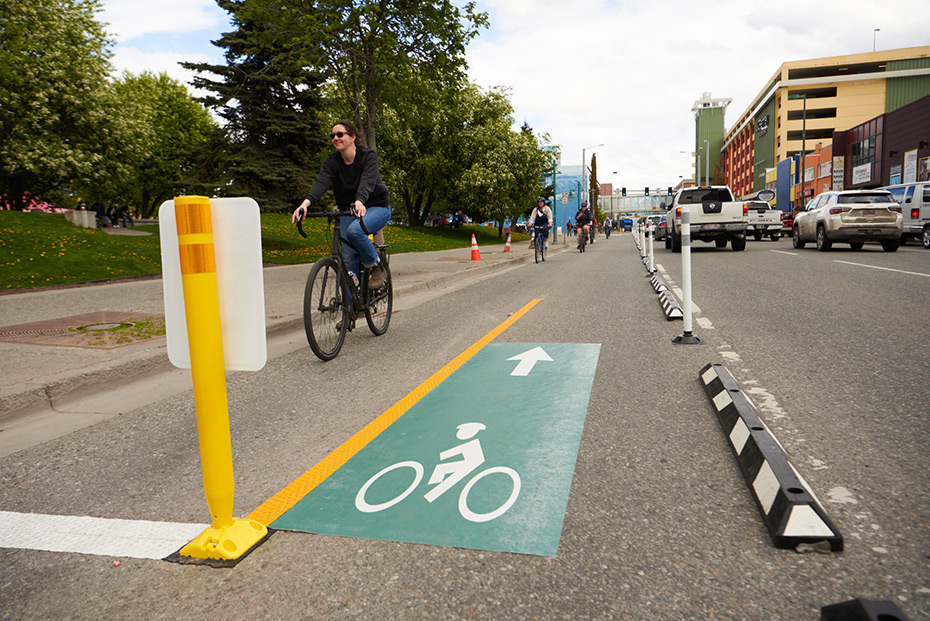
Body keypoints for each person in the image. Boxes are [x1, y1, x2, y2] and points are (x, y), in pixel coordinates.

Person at [292, 120, 391, 292]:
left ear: (353, 137)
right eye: (332, 136)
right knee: (346, 258)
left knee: (355, 231)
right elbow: (321, 183)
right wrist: (305, 204)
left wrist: (360, 200)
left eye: (340, 134)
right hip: (348, 210)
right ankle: (350, 310)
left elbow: (367, 181)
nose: (335, 138)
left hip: (376, 207)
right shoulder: (332, 161)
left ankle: (376, 265)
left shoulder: (369, 157)